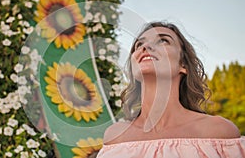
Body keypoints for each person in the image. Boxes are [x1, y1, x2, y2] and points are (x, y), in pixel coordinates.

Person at [96, 21, 245, 158]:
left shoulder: (219, 132)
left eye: (163, 40)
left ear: (184, 65)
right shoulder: (115, 138)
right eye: (139, 44)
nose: (145, 47)